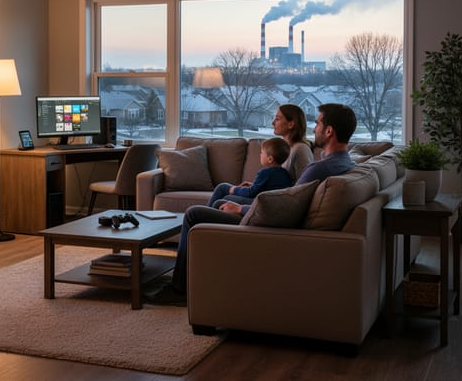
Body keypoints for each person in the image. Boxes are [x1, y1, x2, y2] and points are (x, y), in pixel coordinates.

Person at [148, 102, 358, 306]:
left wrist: (242, 208)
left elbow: (289, 203)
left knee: (194, 214)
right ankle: (195, 269)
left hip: (270, 224)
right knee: (221, 199)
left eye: (319, 123)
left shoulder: (317, 168)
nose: (314, 128)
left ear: (329, 131)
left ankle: (179, 288)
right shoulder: (345, 163)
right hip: (273, 217)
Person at [207, 137, 292, 210]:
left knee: (223, 188)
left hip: (256, 202)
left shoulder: (265, 173)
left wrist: (234, 189)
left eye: (262, 153)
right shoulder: (285, 174)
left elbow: (251, 193)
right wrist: (254, 185)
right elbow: (271, 189)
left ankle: (207, 211)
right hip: (269, 203)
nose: (260, 155)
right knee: (225, 195)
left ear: (270, 159)